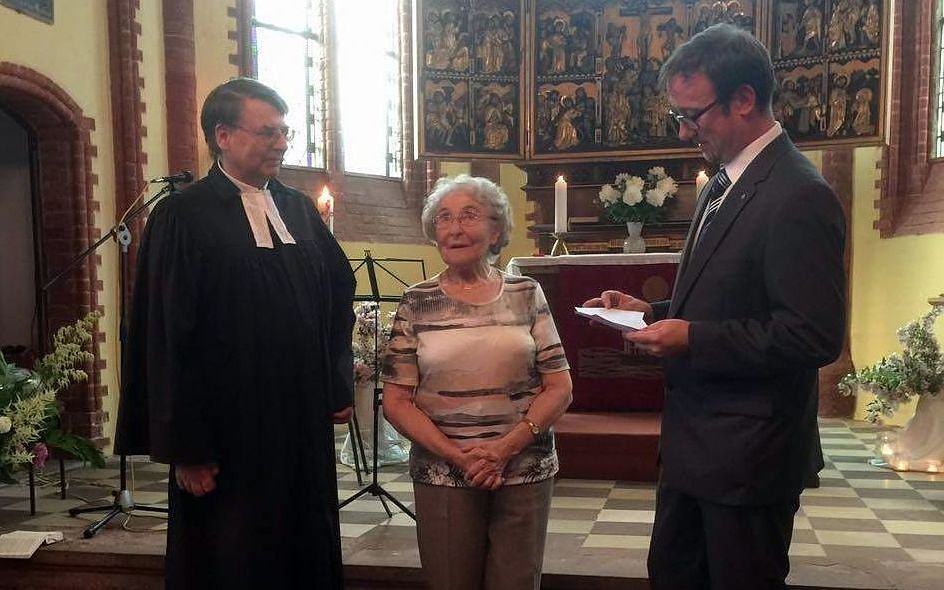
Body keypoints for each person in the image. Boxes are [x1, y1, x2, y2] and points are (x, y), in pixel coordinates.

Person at [584, 24, 845, 589]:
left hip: (750, 457)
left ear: (743, 99)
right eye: (677, 115)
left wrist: (692, 339)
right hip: (696, 449)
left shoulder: (799, 194)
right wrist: (652, 312)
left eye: (692, 115)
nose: (684, 130)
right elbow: (725, 294)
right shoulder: (723, 181)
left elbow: (813, 335)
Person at [116, 78, 355, 589]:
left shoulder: (297, 209)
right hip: (226, 431)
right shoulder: (183, 216)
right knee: (234, 554)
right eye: (268, 132)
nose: (281, 143)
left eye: (285, 132)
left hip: (298, 425)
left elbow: (338, 295)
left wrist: (335, 382)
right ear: (222, 136)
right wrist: (188, 448)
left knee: (303, 544)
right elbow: (168, 334)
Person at [381, 175, 573, 590]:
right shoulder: (416, 301)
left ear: (496, 230)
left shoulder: (526, 292)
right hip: (442, 470)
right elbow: (396, 401)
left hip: (524, 468)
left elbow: (560, 387)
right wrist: (459, 456)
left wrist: (504, 450)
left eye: (469, 215)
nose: (454, 228)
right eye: (444, 218)